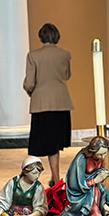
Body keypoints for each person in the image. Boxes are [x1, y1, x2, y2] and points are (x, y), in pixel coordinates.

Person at [24, 23, 72, 186]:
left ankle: (30, 178)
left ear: (41, 37)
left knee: (37, 145)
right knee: (55, 144)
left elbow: (29, 82)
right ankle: (56, 177)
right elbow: (66, 76)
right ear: (57, 36)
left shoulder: (33, 56)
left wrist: (32, 92)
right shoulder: (65, 55)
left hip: (41, 103)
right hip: (61, 103)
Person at [57, 136, 109, 216]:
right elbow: (75, 182)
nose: (103, 157)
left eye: (105, 153)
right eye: (100, 154)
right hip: (82, 193)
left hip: (94, 190)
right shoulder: (82, 158)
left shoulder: (100, 157)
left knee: (104, 194)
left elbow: (99, 171)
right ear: (92, 151)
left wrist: (103, 173)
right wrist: (94, 181)